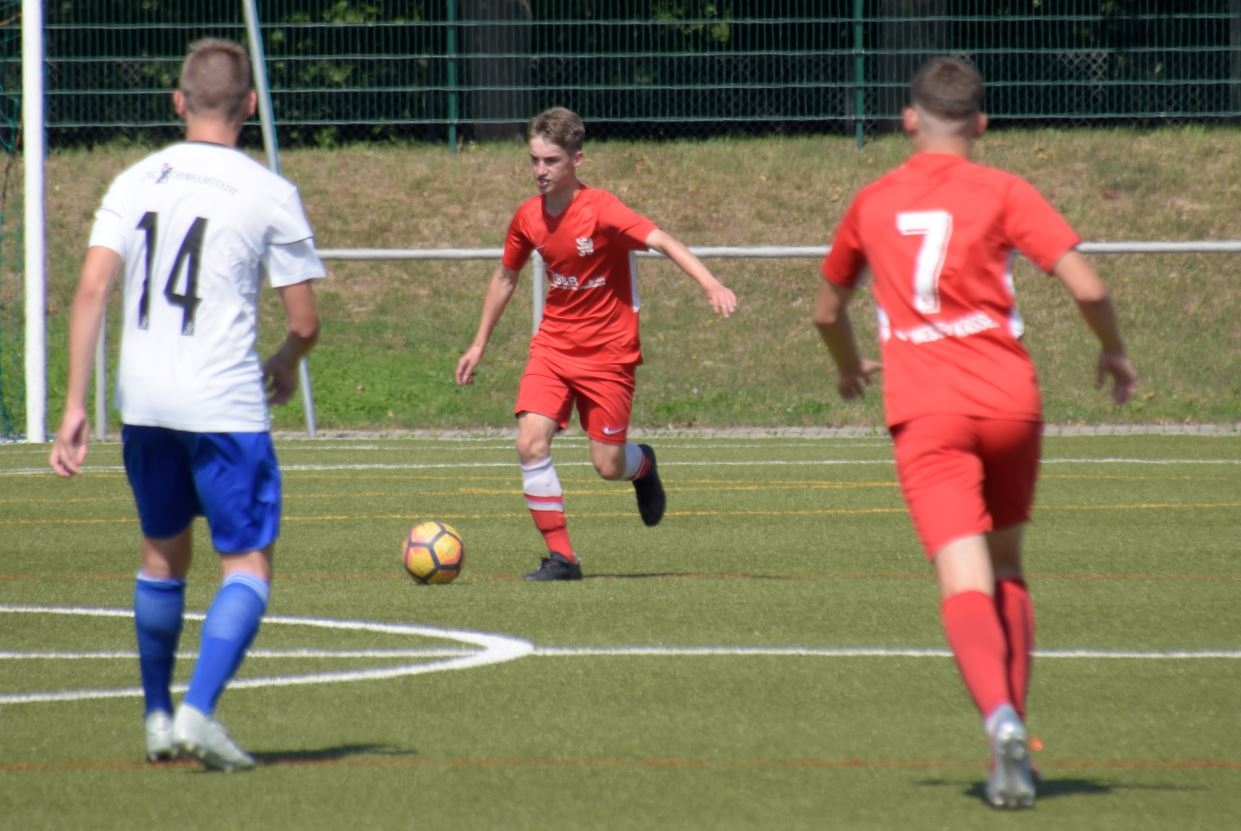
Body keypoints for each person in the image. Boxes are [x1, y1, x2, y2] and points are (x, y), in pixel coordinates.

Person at [813, 56, 1137, 809]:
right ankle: (1012, 738)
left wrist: (847, 368)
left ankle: (997, 721)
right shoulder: (1003, 190)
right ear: (981, 124)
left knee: (963, 580)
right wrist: (1113, 352)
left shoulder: (873, 201)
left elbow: (827, 311)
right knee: (1008, 565)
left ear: (908, 120)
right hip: (1009, 402)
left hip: (927, 410)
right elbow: (1089, 286)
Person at [48, 38, 324, 771]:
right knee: (248, 565)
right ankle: (199, 710)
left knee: (161, 556)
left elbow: (91, 289)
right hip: (223, 401)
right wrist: (287, 362)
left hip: (143, 402)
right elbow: (303, 322)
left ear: (178, 102)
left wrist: (74, 403)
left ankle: (156, 718)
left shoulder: (135, 179)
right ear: (250, 105)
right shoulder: (267, 190)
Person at [455, 106, 737, 581]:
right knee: (530, 442)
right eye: (534, 160)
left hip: (608, 354)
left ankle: (643, 466)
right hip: (553, 348)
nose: (540, 171)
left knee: (608, 464)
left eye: (551, 161)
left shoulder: (602, 209)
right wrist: (479, 344)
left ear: (577, 160)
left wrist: (710, 284)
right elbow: (506, 277)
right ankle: (562, 558)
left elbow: (663, 241)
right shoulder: (527, 216)